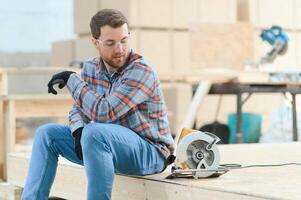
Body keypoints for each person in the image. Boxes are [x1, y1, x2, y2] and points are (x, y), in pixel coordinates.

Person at [21, 9, 175, 200]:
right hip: (104, 147)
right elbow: (79, 107)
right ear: (95, 42)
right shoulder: (91, 67)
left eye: (124, 41)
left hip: (150, 152)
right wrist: (77, 130)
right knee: (46, 134)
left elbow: (105, 112)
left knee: (95, 131)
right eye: (110, 43)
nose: (119, 49)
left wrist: (72, 80)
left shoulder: (141, 71)